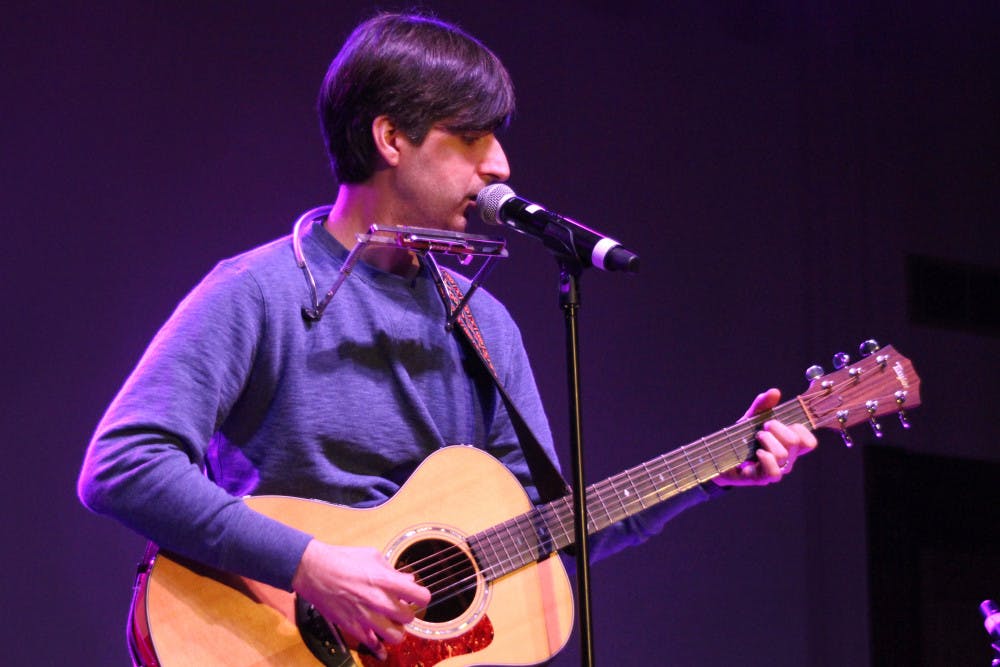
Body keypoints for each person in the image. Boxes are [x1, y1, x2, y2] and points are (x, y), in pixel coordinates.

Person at [77, 11, 816, 664]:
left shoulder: (483, 322)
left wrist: (712, 472)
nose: (500, 165)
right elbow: (121, 463)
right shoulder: (259, 290)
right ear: (391, 137)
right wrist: (310, 565)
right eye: (470, 137)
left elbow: (547, 537)